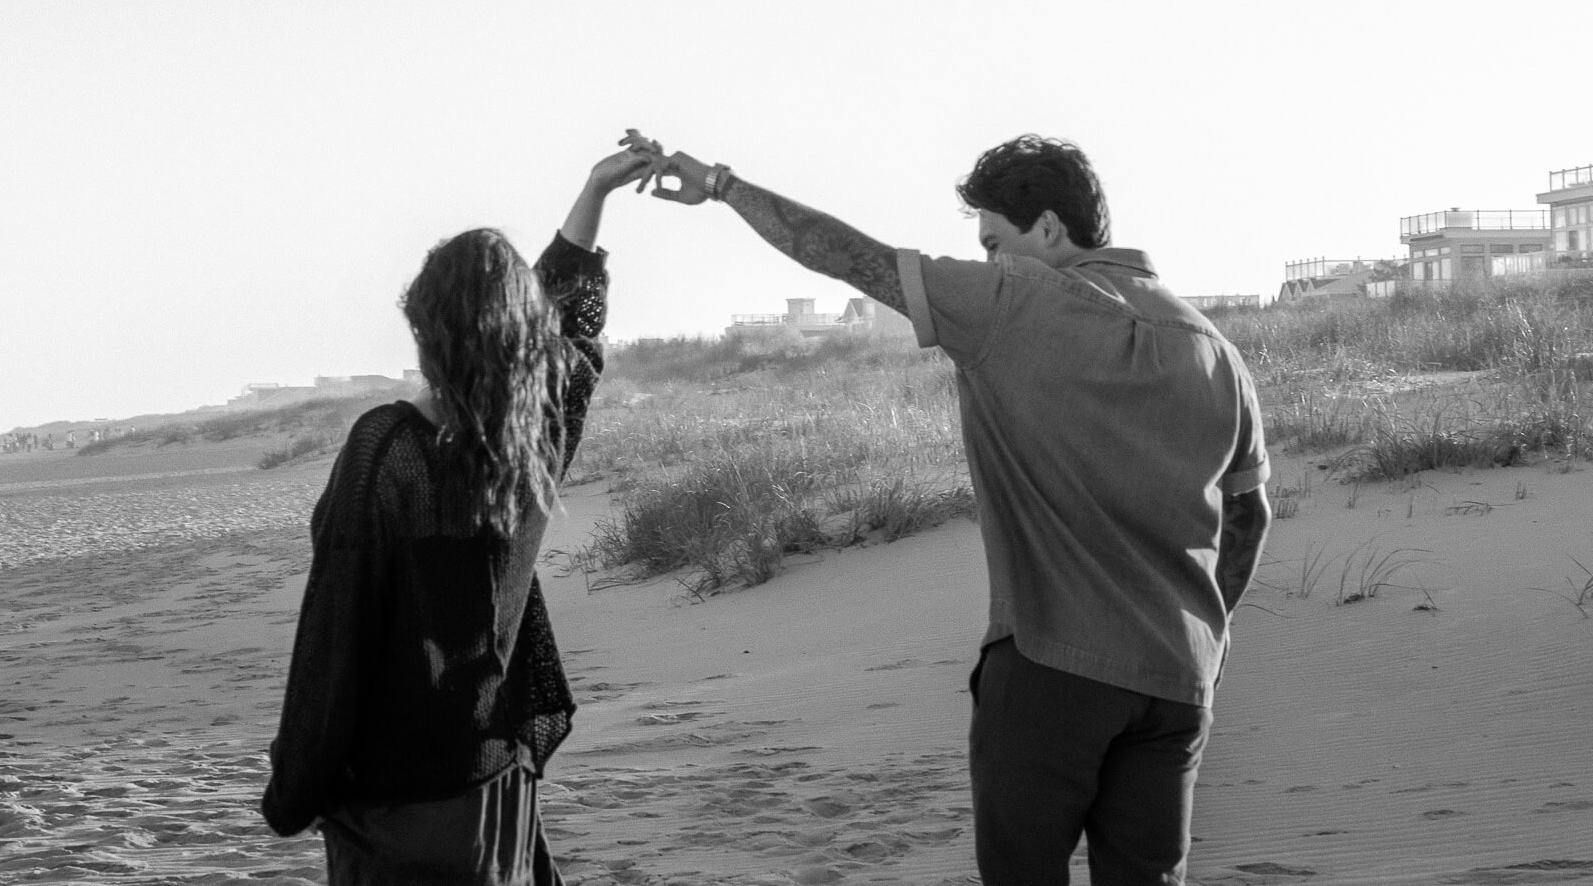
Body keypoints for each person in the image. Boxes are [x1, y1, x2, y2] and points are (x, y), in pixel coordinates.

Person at [635, 131, 1270, 886]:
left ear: (1048, 230)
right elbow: (1249, 514)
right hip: (1174, 682)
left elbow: (844, 255)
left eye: (996, 241)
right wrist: (1210, 639)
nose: (991, 259)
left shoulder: (1012, 302)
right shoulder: (1217, 351)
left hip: (1050, 666)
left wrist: (723, 184)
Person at [261, 138, 658, 885]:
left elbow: (334, 634)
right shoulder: (534, 438)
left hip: (397, 807)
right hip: (498, 786)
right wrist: (595, 193)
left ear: (426, 332)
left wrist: (296, 788)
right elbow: (566, 322)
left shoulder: (389, 449)